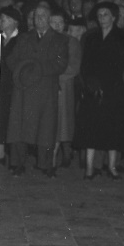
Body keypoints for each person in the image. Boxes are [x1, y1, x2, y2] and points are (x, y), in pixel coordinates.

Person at [6, 4, 69, 177]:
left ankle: (46, 164)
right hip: (23, 89)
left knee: (46, 129)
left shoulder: (60, 39)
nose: (38, 19)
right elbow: (11, 60)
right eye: (36, 16)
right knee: (18, 128)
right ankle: (17, 164)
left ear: (49, 18)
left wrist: (37, 69)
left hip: (45, 90)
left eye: (42, 16)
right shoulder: (24, 38)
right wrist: (23, 71)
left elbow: (61, 64)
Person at [74, 1, 124, 180]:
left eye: (105, 14)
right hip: (93, 88)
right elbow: (85, 63)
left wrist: (104, 83)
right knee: (91, 128)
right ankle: (89, 168)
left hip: (113, 88)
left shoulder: (123, 37)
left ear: (113, 17)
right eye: (99, 15)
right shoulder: (92, 37)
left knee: (112, 129)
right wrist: (91, 83)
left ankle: (112, 167)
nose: (102, 18)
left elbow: (121, 63)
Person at [49, 9, 81, 170]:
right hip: (46, 87)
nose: (57, 26)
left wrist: (54, 78)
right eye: (53, 22)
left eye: (60, 22)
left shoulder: (71, 42)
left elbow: (73, 67)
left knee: (62, 123)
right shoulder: (45, 40)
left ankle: (58, 156)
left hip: (63, 87)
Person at [0, 6, 22, 167]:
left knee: (13, 121)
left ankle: (13, 156)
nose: (0, 22)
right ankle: (0, 154)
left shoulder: (22, 39)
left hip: (15, 87)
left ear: (15, 21)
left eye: (4, 19)